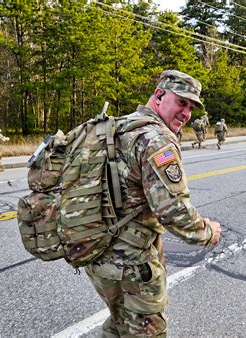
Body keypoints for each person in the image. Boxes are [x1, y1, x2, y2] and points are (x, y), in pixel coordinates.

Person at [84, 70, 222, 337]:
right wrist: (208, 232)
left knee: (120, 322)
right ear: (159, 95)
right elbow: (173, 209)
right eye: (181, 102)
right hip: (130, 264)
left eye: (191, 107)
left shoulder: (119, 126)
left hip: (97, 253)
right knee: (148, 331)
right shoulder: (156, 140)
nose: (186, 113)